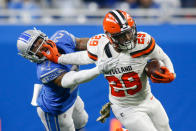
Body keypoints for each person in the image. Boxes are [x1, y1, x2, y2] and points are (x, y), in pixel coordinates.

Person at [42, 10, 176, 131]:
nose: (129, 38)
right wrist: (60, 59)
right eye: (122, 36)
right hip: (125, 107)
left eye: (129, 32)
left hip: (148, 98)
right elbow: (84, 57)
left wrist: (171, 73)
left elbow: (163, 57)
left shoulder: (144, 42)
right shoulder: (101, 47)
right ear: (110, 36)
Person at [16, 28, 118, 131]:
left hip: (71, 96)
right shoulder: (45, 70)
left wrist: (105, 44)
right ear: (30, 56)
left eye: (38, 41)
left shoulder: (61, 38)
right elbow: (73, 79)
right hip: (56, 110)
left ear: (43, 36)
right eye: (33, 48)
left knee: (82, 121)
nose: (40, 47)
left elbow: (83, 43)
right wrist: (98, 69)